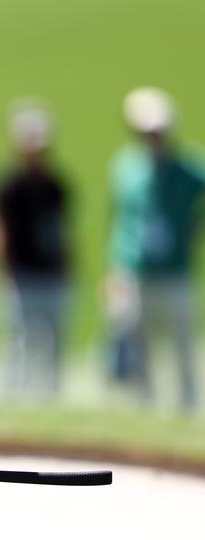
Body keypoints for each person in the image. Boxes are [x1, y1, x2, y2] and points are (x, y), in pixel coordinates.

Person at [104, 87, 205, 412]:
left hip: (175, 270)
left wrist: (193, 231)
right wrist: (113, 271)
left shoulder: (189, 168)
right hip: (135, 271)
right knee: (137, 343)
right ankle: (144, 405)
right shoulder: (125, 167)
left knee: (182, 344)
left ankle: (187, 406)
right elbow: (119, 220)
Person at [0, 100, 71, 399]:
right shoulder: (9, 186)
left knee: (54, 339)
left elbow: (62, 230)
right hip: (21, 273)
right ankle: (10, 396)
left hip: (52, 272)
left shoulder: (56, 184)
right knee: (15, 339)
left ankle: (51, 395)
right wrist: (1, 270)